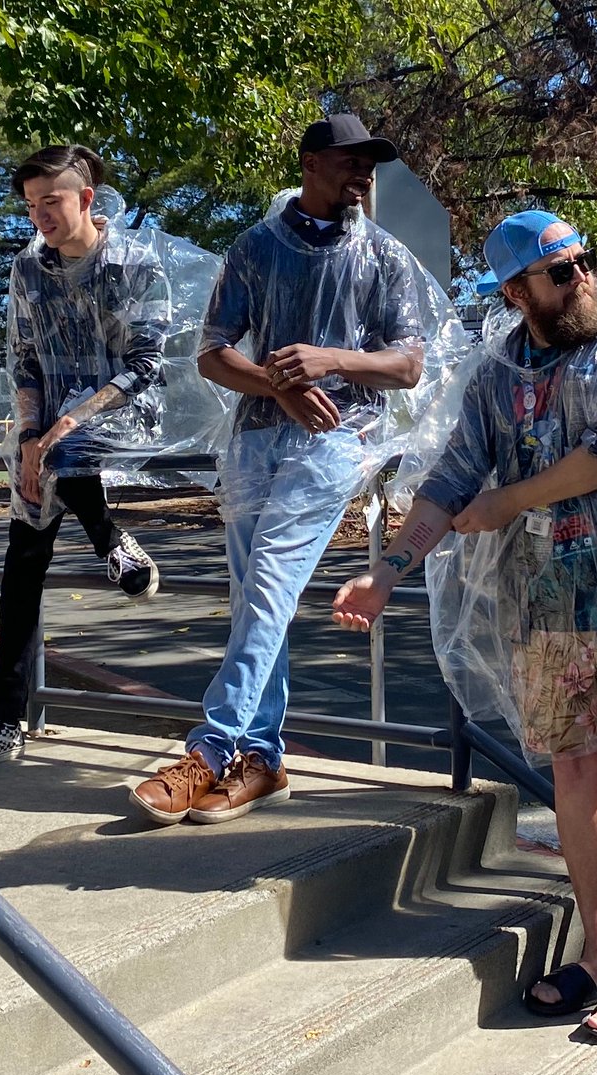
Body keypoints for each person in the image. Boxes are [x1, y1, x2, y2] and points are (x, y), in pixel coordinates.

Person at [331, 210, 597, 1043]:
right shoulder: (499, 375)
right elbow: (455, 472)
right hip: (550, 608)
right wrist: (386, 572)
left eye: (583, 262)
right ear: (517, 291)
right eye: (559, 272)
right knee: (573, 777)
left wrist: (508, 502)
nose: (581, 279)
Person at [131, 113, 425, 825]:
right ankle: (262, 761)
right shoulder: (256, 247)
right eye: (350, 161)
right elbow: (211, 352)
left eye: (370, 165)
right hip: (256, 442)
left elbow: (409, 364)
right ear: (310, 162)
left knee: (266, 590)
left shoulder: (383, 257)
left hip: (334, 445)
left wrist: (330, 360)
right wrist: (278, 387)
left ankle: (207, 750)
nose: (363, 175)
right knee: (252, 602)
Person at [0, 144, 166, 776]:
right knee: (22, 559)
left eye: (53, 201)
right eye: (31, 204)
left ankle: (107, 537)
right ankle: (5, 719)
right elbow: (27, 360)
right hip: (53, 432)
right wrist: (31, 435)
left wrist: (62, 427)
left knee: (61, 452)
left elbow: (149, 366)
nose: (40, 215)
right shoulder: (26, 269)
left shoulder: (135, 264)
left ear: (86, 199)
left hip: (123, 411)